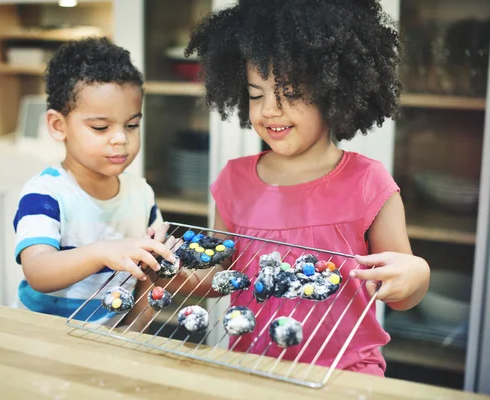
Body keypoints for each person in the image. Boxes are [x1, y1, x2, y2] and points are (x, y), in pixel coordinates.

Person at [160, 0, 430, 376]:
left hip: (345, 373)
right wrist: (174, 273)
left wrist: (417, 274)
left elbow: (403, 293)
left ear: (335, 91)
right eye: (257, 95)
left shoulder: (369, 182)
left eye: (290, 92)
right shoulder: (234, 181)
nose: (270, 109)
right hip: (252, 368)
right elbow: (225, 276)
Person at [12, 37, 176, 330]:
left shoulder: (141, 195)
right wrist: (103, 251)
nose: (120, 138)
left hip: (108, 341)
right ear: (58, 126)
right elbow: (38, 271)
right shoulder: (45, 194)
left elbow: (147, 282)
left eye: (131, 125)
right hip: (41, 338)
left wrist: (133, 336)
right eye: (101, 127)